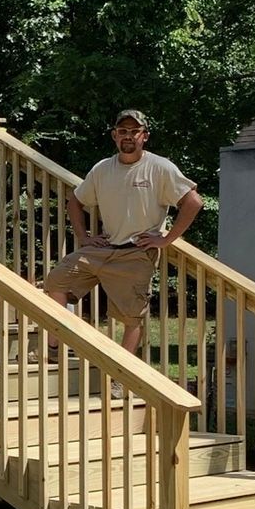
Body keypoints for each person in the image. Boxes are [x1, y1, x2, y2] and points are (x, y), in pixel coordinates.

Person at [42, 109, 202, 358]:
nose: (129, 136)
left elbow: (193, 202)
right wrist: (84, 237)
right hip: (103, 247)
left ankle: (120, 378)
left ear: (144, 136)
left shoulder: (160, 167)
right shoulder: (102, 169)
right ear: (114, 136)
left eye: (134, 131)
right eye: (123, 131)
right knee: (56, 281)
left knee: (131, 318)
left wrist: (167, 239)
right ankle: (56, 347)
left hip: (137, 253)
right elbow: (75, 200)